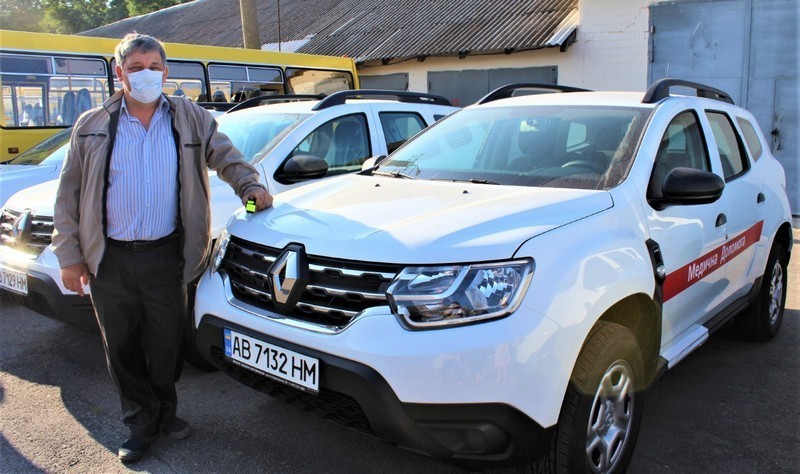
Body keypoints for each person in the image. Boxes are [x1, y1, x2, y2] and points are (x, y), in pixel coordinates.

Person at [52, 33, 272, 464]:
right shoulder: (93, 125)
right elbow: (68, 195)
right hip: (108, 258)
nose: (146, 75)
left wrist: (250, 186)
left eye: (153, 66)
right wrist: (69, 256)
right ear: (120, 74)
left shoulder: (191, 119)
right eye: (135, 68)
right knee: (121, 345)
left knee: (166, 343)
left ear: (166, 71)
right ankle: (139, 421)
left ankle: (166, 410)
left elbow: (225, 156)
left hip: (166, 255)